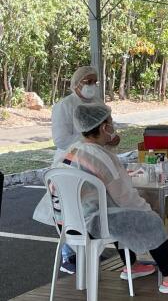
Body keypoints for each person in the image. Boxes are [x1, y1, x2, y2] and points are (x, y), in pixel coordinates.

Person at [65, 103, 168, 293]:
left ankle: (132, 265)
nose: (113, 126)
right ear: (104, 127)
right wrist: (148, 211)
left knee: (117, 214)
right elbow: (125, 197)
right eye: (111, 123)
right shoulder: (102, 157)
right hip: (93, 224)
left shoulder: (70, 151)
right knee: (150, 221)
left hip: (67, 223)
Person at [49, 66, 119, 274]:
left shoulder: (98, 103)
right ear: (76, 83)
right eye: (87, 81)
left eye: (94, 81)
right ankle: (69, 254)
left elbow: (109, 128)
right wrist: (89, 140)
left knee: (93, 207)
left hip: (98, 161)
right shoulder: (65, 106)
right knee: (72, 207)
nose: (92, 85)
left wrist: (111, 138)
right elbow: (61, 140)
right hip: (72, 163)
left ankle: (88, 248)